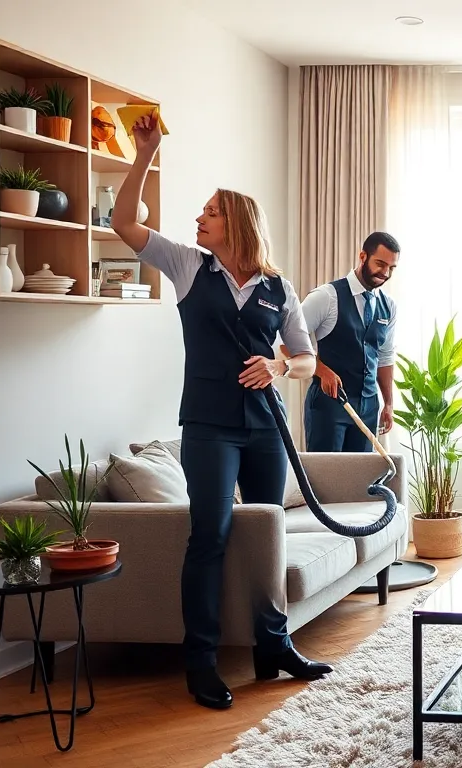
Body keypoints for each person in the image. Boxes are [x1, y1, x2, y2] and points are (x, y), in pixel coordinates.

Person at [112, 114, 334, 710]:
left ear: (234, 221)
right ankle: (201, 661)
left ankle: (273, 648)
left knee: (266, 535)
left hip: (265, 428)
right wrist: (145, 155)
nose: (198, 219)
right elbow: (123, 222)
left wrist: (280, 366)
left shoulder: (278, 287)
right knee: (208, 536)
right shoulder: (189, 266)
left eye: (208, 212)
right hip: (208, 428)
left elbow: (308, 358)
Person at [297, 232, 400, 451]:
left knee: (360, 479)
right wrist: (322, 370)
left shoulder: (388, 306)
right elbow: (289, 339)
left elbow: (385, 356)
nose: (385, 273)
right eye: (380, 264)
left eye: (391, 268)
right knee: (327, 479)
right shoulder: (326, 296)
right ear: (363, 256)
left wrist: (388, 403)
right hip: (329, 404)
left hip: (369, 407)